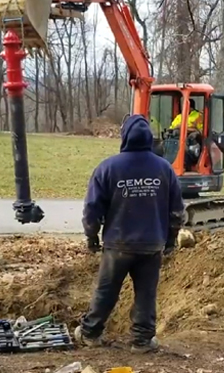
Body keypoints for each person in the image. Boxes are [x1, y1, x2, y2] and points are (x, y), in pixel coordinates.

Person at [75, 114, 184, 354]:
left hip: (118, 244)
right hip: (151, 244)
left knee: (106, 290)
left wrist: (91, 236)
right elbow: (176, 211)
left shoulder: (108, 168)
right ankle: (142, 341)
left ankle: (90, 333)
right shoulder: (164, 168)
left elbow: (92, 209)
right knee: (146, 293)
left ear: (124, 136)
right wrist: (170, 239)